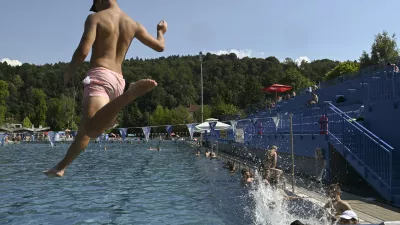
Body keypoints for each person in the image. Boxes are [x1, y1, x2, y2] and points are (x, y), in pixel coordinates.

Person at [43, 0, 167, 177]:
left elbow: (83, 51)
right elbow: (160, 46)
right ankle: (61, 167)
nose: (95, 8)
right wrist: (160, 32)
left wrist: (69, 71)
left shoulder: (95, 18)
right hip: (118, 81)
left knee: (91, 130)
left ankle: (130, 94)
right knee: (86, 131)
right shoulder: (133, 24)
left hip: (100, 76)